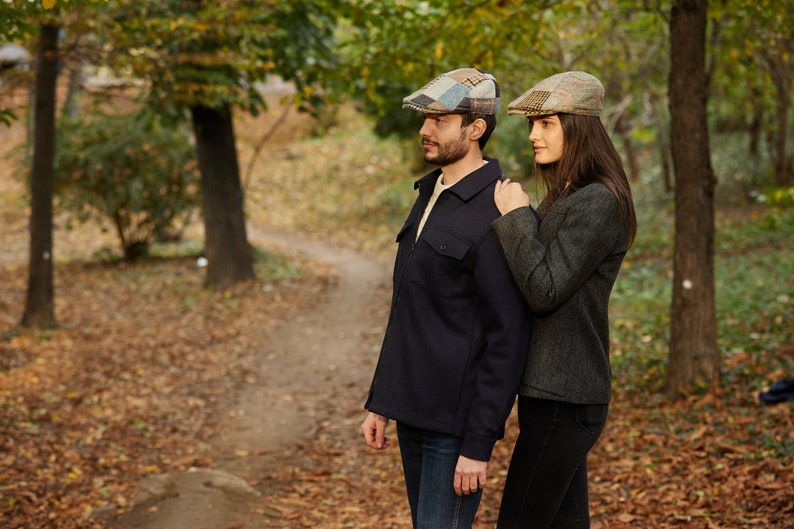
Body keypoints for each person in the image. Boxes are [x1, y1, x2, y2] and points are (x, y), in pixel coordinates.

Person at [360, 67, 532, 529]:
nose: (424, 129)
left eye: (439, 120)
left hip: (453, 430)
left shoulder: (500, 211)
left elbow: (508, 339)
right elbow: (408, 311)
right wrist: (381, 399)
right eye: (426, 119)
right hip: (411, 411)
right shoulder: (429, 193)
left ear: (476, 129)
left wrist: (477, 444)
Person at [491, 71, 638, 529]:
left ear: (579, 127)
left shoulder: (598, 201)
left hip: (566, 398)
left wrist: (516, 217)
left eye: (547, 123)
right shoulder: (569, 196)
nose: (534, 135)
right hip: (553, 394)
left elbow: (544, 289)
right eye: (533, 125)